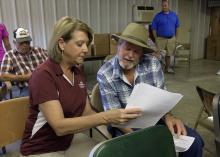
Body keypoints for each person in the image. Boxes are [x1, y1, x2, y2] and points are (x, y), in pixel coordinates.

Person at [20, 16, 141, 157]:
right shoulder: (43, 75)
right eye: (79, 44)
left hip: (68, 141)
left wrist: (113, 138)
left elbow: (87, 112)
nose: (85, 49)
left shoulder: (77, 72)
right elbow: (59, 127)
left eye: (87, 44)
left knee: (106, 153)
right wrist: (106, 117)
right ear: (61, 44)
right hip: (41, 148)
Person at [97, 22, 204, 157]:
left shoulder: (152, 64)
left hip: (154, 118)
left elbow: (162, 100)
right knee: (151, 151)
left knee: (194, 142)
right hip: (124, 125)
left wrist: (170, 117)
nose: (130, 55)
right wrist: (145, 139)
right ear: (118, 46)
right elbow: (115, 118)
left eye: (136, 51)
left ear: (142, 54)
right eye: (127, 48)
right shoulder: (105, 73)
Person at [0, 27, 48, 97]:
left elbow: (53, 63)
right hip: (28, 88)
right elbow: (3, 76)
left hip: (46, 84)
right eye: (21, 42)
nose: (25, 45)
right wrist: (25, 77)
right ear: (14, 42)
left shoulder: (39, 50)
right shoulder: (10, 55)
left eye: (27, 42)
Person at [151, 0, 180, 74]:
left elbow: (177, 27)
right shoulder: (158, 16)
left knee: (168, 55)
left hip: (171, 39)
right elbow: (153, 28)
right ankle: (158, 69)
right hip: (160, 39)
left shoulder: (174, 15)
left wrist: (176, 38)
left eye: (165, 5)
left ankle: (167, 68)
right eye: (163, 5)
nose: (164, 7)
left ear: (168, 6)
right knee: (158, 54)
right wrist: (156, 38)